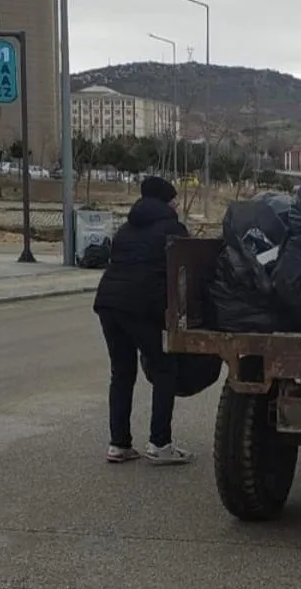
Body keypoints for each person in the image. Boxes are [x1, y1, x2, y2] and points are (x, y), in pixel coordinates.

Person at [93, 176, 195, 465]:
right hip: (141, 306)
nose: (177, 204)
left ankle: (119, 444)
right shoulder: (173, 229)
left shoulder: (125, 229)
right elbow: (186, 271)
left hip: (108, 303)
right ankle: (160, 443)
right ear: (166, 201)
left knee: (121, 373)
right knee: (165, 368)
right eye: (174, 200)